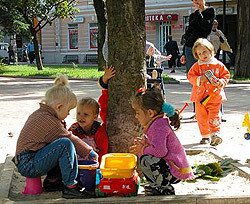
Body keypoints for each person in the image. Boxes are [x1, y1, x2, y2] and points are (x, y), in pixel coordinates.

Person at [12, 75, 98, 199]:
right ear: (59, 107)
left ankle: (53, 181)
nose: (68, 114)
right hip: (28, 163)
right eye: (68, 111)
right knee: (64, 144)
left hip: (27, 159)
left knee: (58, 145)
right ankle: (71, 187)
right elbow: (69, 137)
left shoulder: (41, 114)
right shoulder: (49, 121)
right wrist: (89, 152)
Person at [130, 87, 193, 196]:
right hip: (170, 166)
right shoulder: (157, 123)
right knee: (146, 157)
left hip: (175, 170)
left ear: (150, 113)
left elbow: (160, 151)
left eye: (137, 113)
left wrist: (143, 149)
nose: (136, 116)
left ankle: (164, 187)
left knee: (146, 160)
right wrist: (144, 145)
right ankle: (158, 185)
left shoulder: (159, 126)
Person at [187, 38, 230, 145]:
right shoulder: (196, 66)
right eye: (200, 54)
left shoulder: (218, 65)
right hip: (200, 97)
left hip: (214, 95)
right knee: (201, 117)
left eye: (205, 51)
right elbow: (190, 76)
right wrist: (198, 79)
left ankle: (215, 134)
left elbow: (226, 75)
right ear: (197, 55)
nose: (203, 55)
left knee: (214, 115)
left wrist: (221, 82)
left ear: (210, 50)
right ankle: (205, 135)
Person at [69, 66, 115, 164]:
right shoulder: (74, 129)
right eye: (78, 113)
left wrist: (97, 165)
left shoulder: (99, 131)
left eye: (86, 114)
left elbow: (103, 151)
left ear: (95, 116)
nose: (81, 117)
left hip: (93, 165)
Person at [180, 0, 215, 73]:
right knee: (192, 73)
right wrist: (183, 53)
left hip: (202, 47)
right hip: (189, 47)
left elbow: (206, 27)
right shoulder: (192, 16)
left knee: (203, 72)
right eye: (194, 0)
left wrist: (197, 12)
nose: (196, 2)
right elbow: (188, 34)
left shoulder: (210, 11)